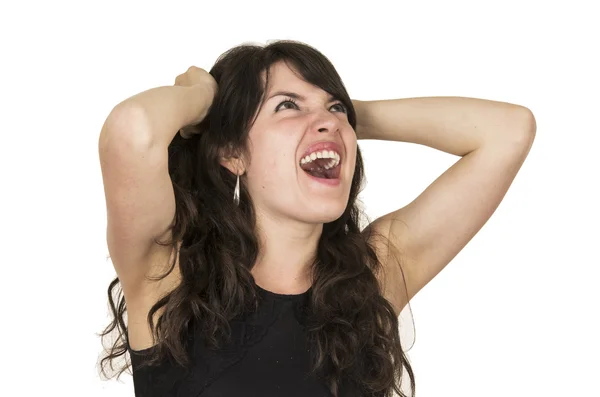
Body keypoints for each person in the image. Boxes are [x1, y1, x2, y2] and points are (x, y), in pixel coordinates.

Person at [97, 40, 535, 397]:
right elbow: (132, 128)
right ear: (232, 152)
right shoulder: (169, 273)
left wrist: (348, 116)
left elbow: (509, 130)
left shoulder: (374, 276)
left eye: (334, 108)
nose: (326, 121)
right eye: (287, 106)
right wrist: (206, 96)